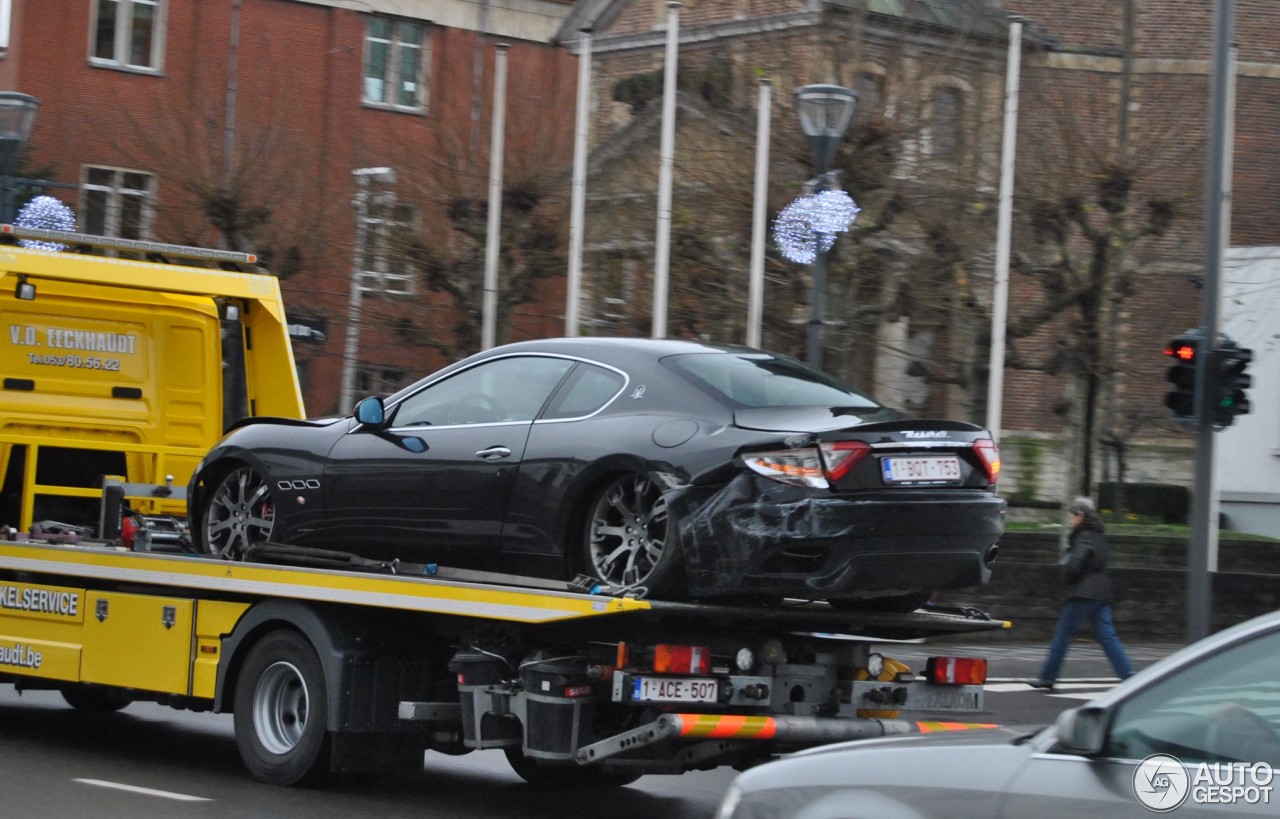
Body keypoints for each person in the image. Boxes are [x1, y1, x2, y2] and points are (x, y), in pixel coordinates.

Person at [1030, 496, 1133, 690]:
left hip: (1083, 592)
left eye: (1072, 515)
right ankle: (1127, 675)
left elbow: (1078, 559)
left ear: (1081, 515)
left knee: (1063, 633)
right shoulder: (1100, 535)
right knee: (1108, 637)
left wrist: (1068, 572)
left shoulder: (1084, 534)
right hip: (1101, 593)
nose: (1071, 519)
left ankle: (1048, 677)